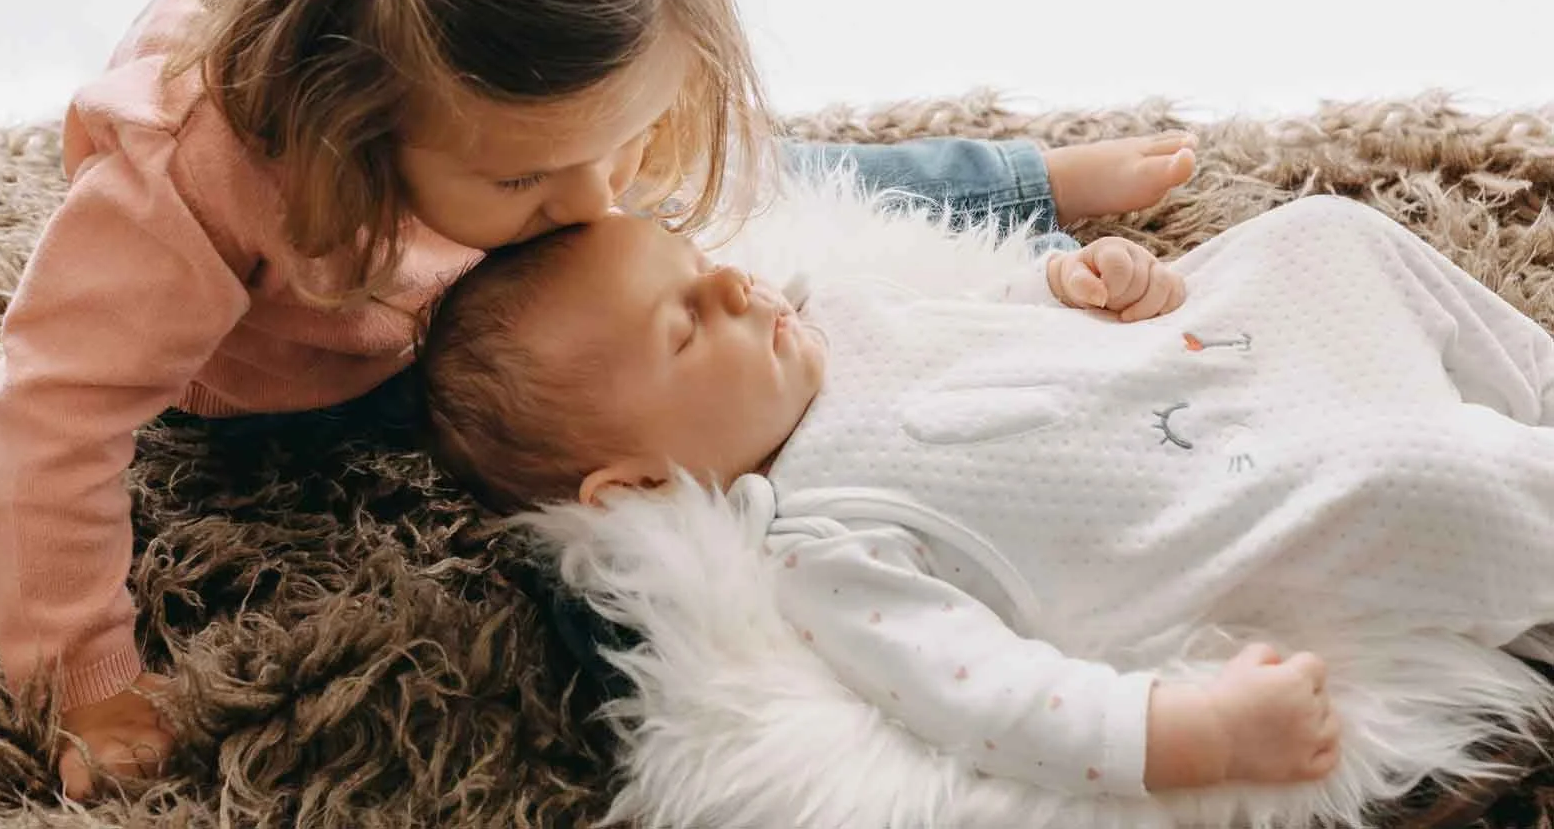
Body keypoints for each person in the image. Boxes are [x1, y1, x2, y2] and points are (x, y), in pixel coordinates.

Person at [0, 0, 1195, 799]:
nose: (591, 201)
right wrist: (82, 677)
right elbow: (50, 418)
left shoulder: (555, 153)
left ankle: (1016, 178)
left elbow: (624, 180)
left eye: (605, 146)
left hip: (475, 290)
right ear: (355, 116)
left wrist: (566, 195)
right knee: (599, 540)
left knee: (767, 193)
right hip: (289, 377)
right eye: (522, 177)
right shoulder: (175, 190)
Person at [417, 194, 1554, 796]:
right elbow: (992, 699)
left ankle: (1528, 381)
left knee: (1325, 232)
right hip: (1233, 499)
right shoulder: (820, 546)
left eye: (696, 261)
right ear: (643, 481)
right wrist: (1194, 735)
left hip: (1204, 363)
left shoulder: (832, 322)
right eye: (686, 323)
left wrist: (1075, 284)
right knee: (1419, 476)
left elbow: (977, 324)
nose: (732, 282)